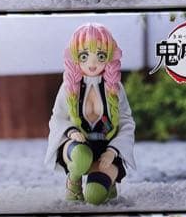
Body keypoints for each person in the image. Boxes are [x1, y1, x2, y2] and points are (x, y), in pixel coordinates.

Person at [44, 23, 135, 204]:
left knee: (94, 196)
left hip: (106, 152)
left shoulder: (114, 87)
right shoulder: (69, 86)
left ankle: (107, 181)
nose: (92, 64)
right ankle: (74, 181)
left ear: (109, 56)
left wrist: (113, 151)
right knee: (81, 156)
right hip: (77, 147)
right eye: (84, 56)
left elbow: (126, 122)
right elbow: (57, 118)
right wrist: (71, 132)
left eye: (100, 56)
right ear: (75, 56)